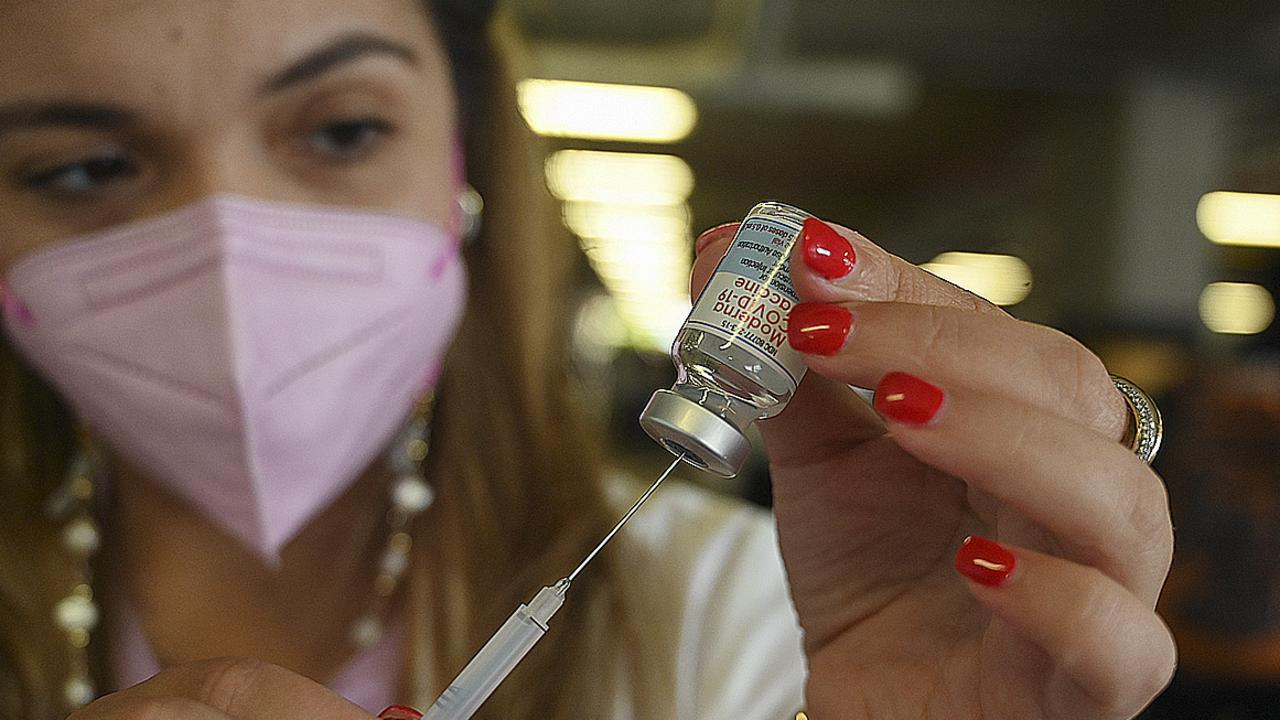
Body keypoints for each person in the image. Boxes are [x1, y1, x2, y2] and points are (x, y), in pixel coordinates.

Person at [0, 1, 1176, 719]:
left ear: (466, 172)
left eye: (343, 129)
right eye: (81, 166)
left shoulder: (738, 616)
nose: (228, 245)